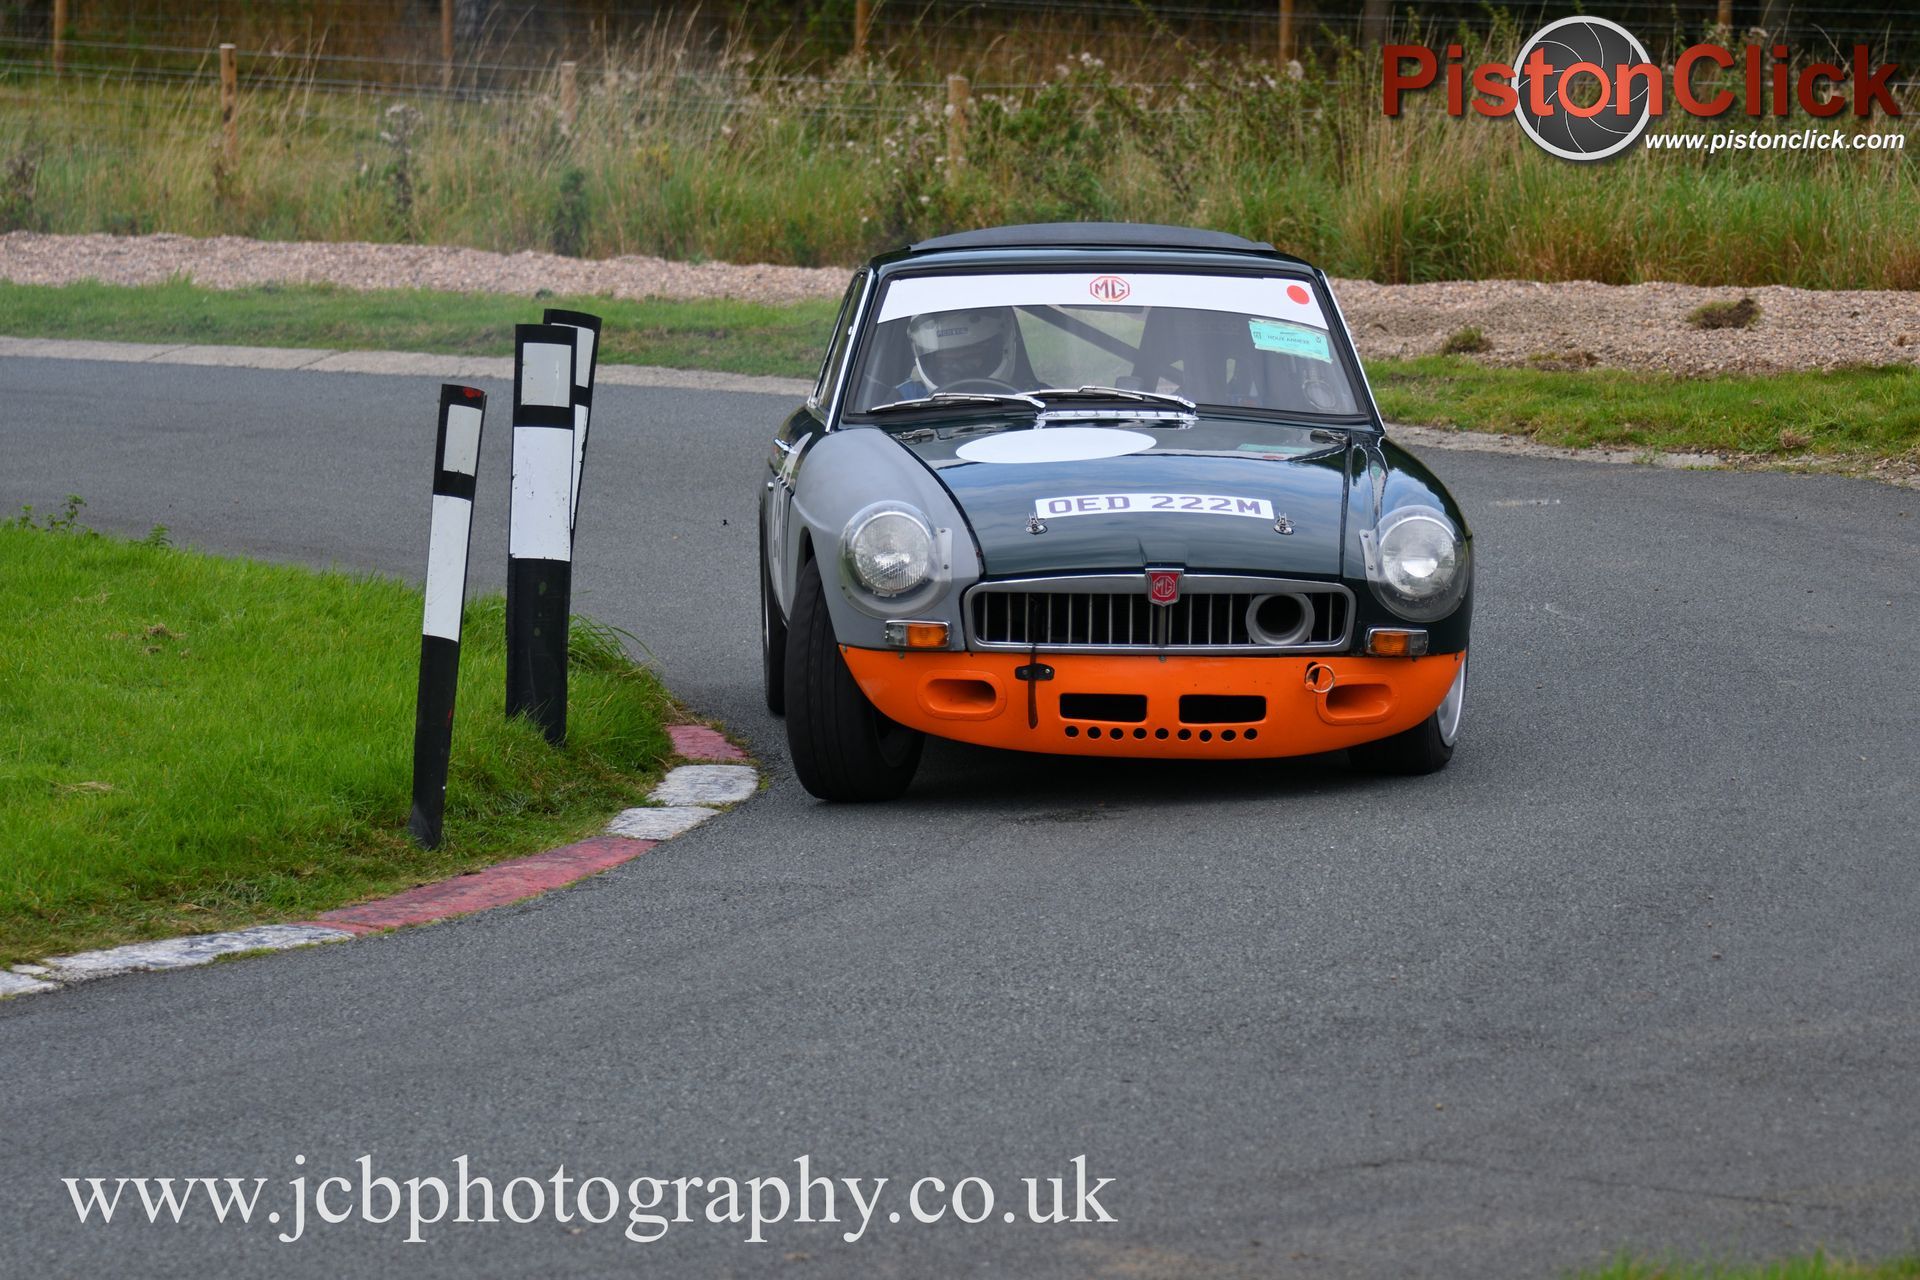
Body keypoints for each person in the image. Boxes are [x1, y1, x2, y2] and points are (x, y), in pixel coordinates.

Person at [896, 308, 1021, 398]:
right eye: (946, 357)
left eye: (971, 354)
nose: (956, 367)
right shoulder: (904, 399)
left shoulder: (1028, 400)